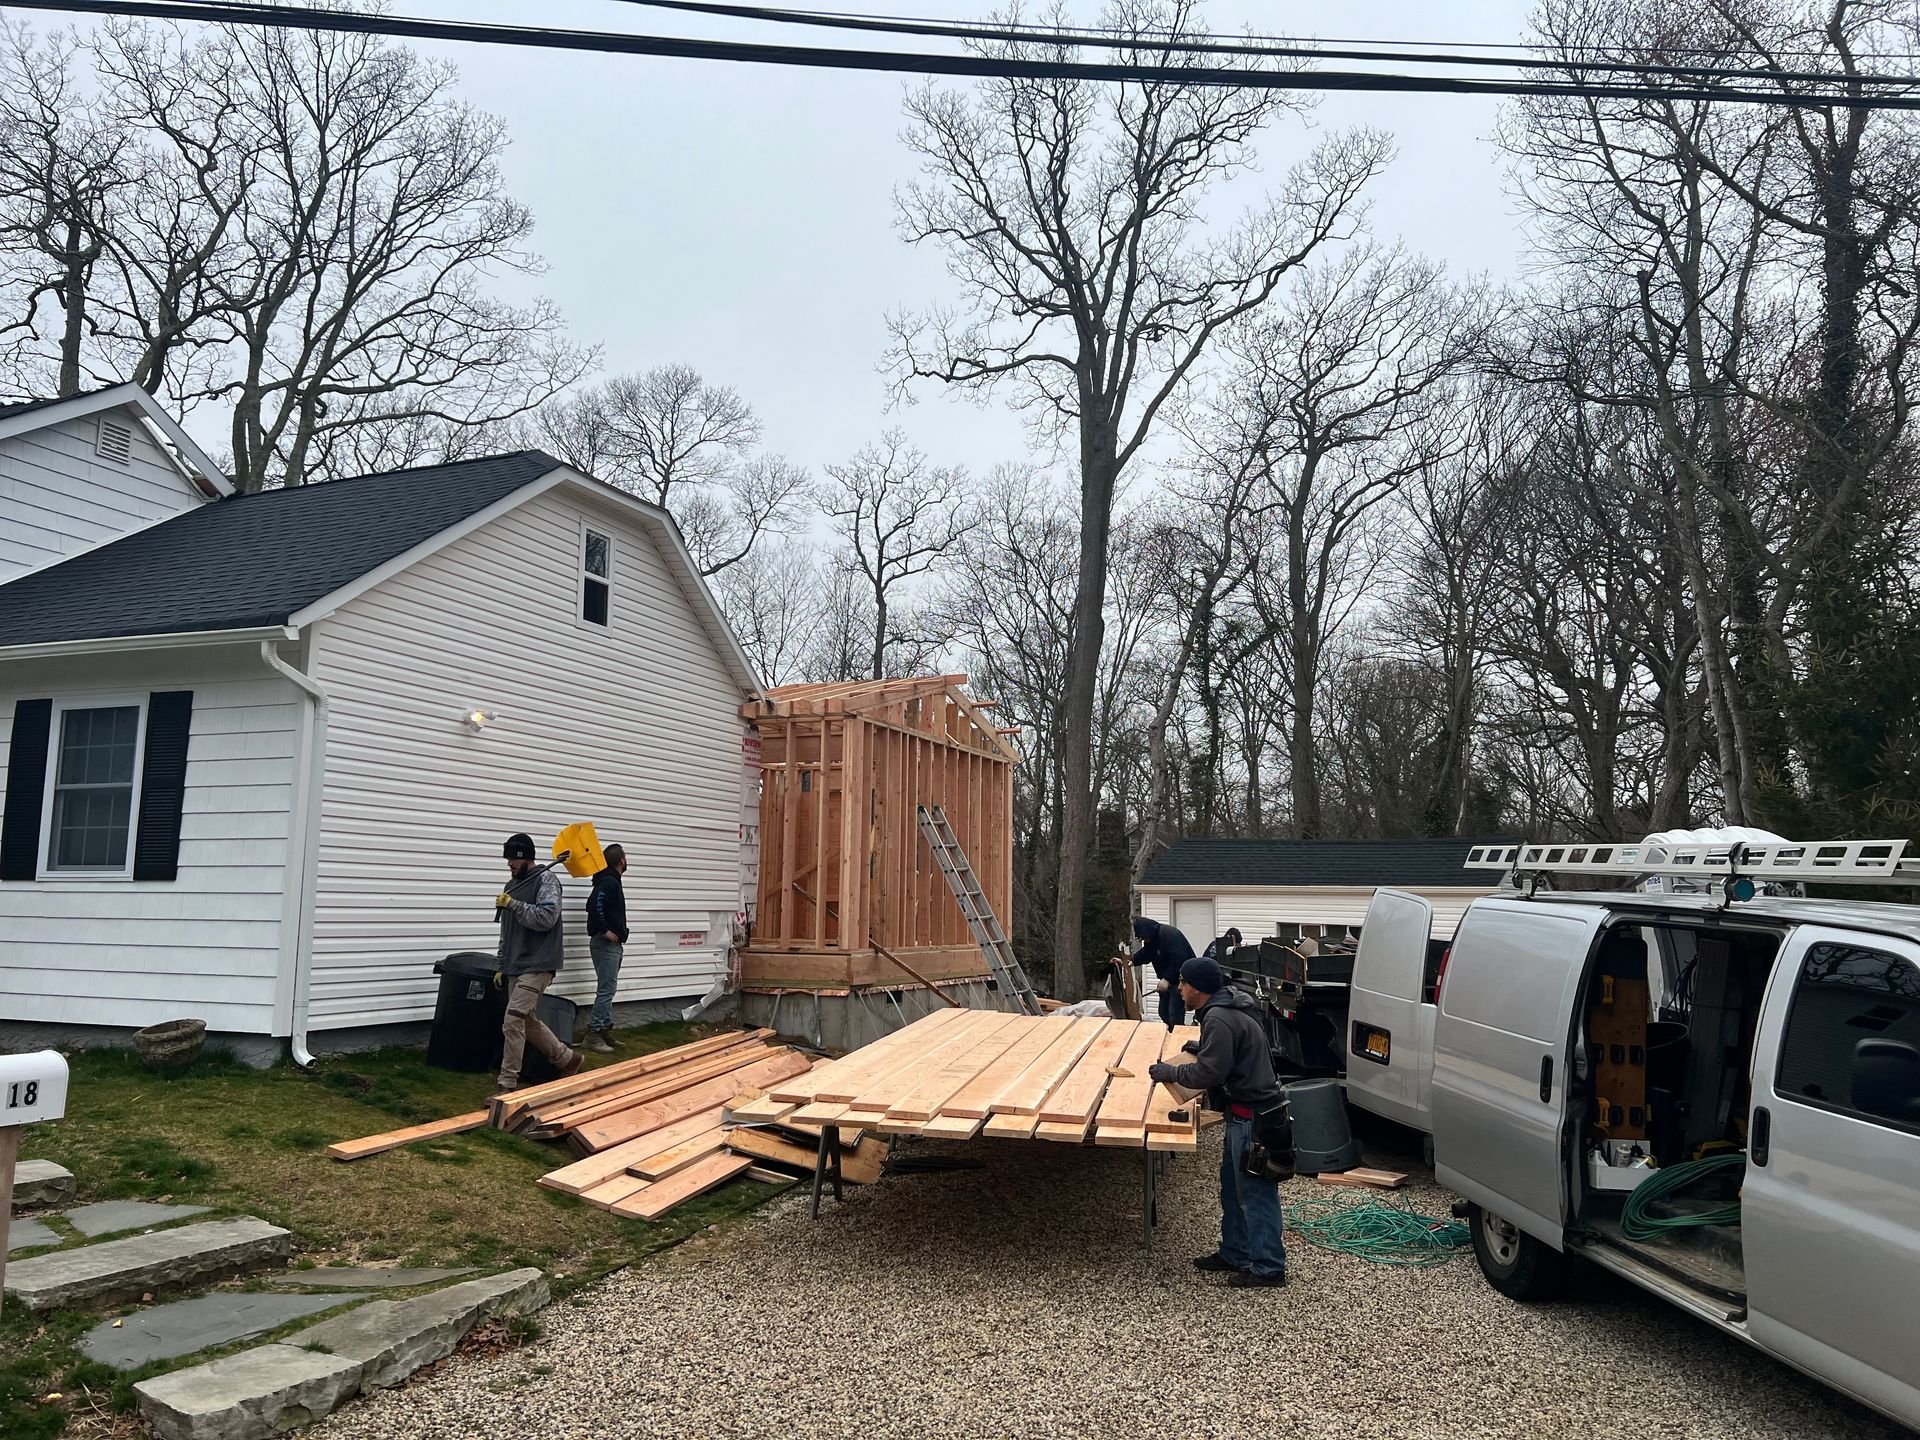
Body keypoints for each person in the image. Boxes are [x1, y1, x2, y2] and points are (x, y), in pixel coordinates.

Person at [1149, 955, 1289, 1288]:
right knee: (1233, 1189)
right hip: (1245, 1116)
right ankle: (1236, 1252)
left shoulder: (1221, 1019)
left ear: (1196, 988)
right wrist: (1205, 1046)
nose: (1179, 988)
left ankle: (1269, 1268)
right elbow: (1229, 1053)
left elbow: (1210, 1072)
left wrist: (1170, 1072)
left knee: (1254, 1194)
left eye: (1183, 983)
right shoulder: (1227, 1009)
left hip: (1254, 1120)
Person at [494, 832, 581, 1090]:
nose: (509, 864)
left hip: (539, 964)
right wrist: (501, 965)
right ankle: (567, 1059)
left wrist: (515, 905)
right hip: (515, 964)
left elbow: (546, 918)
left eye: (512, 859)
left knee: (513, 1020)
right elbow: (506, 931)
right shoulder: (512, 886)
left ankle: (507, 1083)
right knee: (527, 1021)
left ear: (525, 857)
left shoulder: (547, 880)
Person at [583, 843, 629, 1053]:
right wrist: (605, 931)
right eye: (625, 857)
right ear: (621, 860)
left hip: (610, 945)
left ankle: (604, 1030)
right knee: (606, 990)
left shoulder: (609, 881)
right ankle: (593, 1036)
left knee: (608, 989)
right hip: (606, 945)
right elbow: (594, 904)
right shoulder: (609, 882)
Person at [1133, 915, 1195, 1029]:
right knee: (1163, 1012)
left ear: (1147, 932)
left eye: (1143, 937)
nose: (1144, 940)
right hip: (1168, 980)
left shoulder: (1169, 935)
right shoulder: (1153, 939)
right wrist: (1129, 961)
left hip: (1181, 981)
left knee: (1174, 1016)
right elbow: (1146, 954)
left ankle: (1176, 1039)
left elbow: (1179, 959)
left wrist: (1167, 979)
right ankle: (1170, 1033)